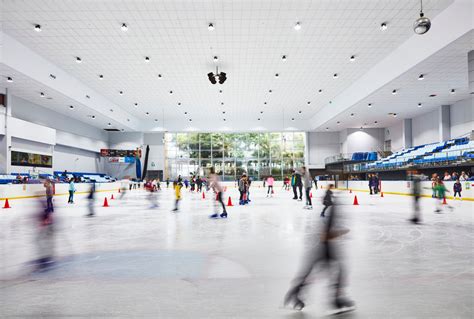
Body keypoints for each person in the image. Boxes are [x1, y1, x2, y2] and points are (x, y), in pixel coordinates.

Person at [284, 193, 354, 313]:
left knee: (316, 273)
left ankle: (295, 294)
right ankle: (336, 300)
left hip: (323, 248)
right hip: (325, 248)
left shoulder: (331, 213)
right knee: (338, 272)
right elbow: (325, 235)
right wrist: (341, 232)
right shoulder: (332, 214)